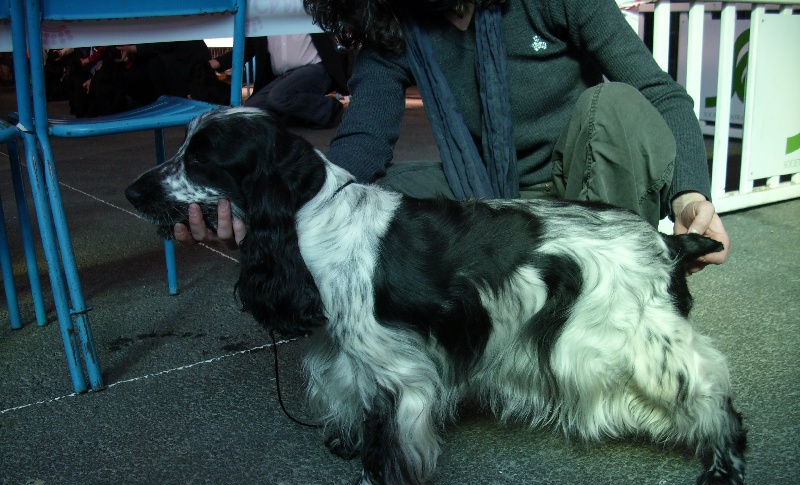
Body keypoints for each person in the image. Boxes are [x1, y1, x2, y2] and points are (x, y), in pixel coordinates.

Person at [176, 0, 729, 274]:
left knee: (618, 106)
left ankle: (615, 295)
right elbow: (362, 143)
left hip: (581, 186)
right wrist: (276, 212)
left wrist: (690, 196)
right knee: (367, 202)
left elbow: (660, 94)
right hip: (482, 191)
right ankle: (461, 330)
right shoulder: (395, 23)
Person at [210, 34, 350, 128]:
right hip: (283, 76)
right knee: (249, 112)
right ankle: (306, 116)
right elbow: (248, 47)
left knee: (278, 97)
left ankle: (329, 110)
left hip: (315, 67)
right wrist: (218, 62)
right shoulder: (263, 11)